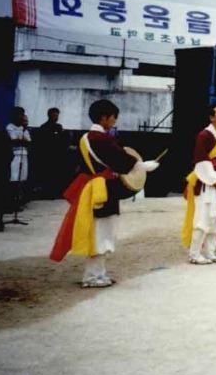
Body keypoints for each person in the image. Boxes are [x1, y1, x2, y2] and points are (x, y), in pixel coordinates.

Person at [49, 99, 159, 287]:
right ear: (104, 118)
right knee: (101, 232)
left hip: (93, 187)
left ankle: (98, 274)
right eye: (113, 117)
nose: (115, 121)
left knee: (100, 230)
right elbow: (120, 159)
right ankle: (92, 276)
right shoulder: (100, 138)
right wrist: (142, 166)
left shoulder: (85, 138)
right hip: (103, 189)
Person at [183, 104, 216, 264]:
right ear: (211, 117)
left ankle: (209, 252)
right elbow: (201, 160)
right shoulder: (204, 135)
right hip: (207, 182)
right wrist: (214, 179)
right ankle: (194, 254)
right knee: (204, 218)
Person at [35, 107, 69, 199]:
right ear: (49, 115)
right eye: (54, 115)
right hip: (48, 156)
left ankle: (56, 193)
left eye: (57, 115)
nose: (56, 117)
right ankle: (47, 193)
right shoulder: (44, 127)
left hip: (58, 156)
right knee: (48, 175)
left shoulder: (59, 127)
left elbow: (63, 140)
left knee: (57, 175)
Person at [6, 107, 31, 214]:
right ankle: (11, 202)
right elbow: (13, 140)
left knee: (22, 178)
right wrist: (21, 140)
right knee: (13, 178)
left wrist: (21, 140)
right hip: (14, 155)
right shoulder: (10, 127)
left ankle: (18, 201)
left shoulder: (23, 128)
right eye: (19, 114)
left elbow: (29, 142)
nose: (21, 117)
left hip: (24, 154)